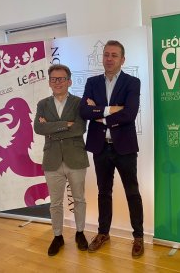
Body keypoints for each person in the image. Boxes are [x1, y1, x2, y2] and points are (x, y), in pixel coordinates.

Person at [79, 40, 144, 257]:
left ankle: (138, 237)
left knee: (132, 192)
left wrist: (101, 116)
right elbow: (84, 112)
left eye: (114, 55)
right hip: (100, 147)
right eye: (106, 54)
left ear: (122, 60)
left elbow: (129, 114)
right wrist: (109, 109)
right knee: (103, 192)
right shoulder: (92, 82)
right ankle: (103, 233)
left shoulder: (132, 82)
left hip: (124, 147)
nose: (109, 58)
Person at [34, 64, 90, 256]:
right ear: (49, 82)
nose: (57, 82)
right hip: (52, 160)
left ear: (69, 81)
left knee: (79, 199)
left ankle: (80, 233)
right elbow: (38, 129)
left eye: (61, 79)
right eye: (54, 79)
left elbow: (79, 129)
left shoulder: (79, 103)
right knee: (55, 203)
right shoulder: (42, 104)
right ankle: (57, 236)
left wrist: (52, 127)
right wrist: (65, 124)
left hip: (76, 157)